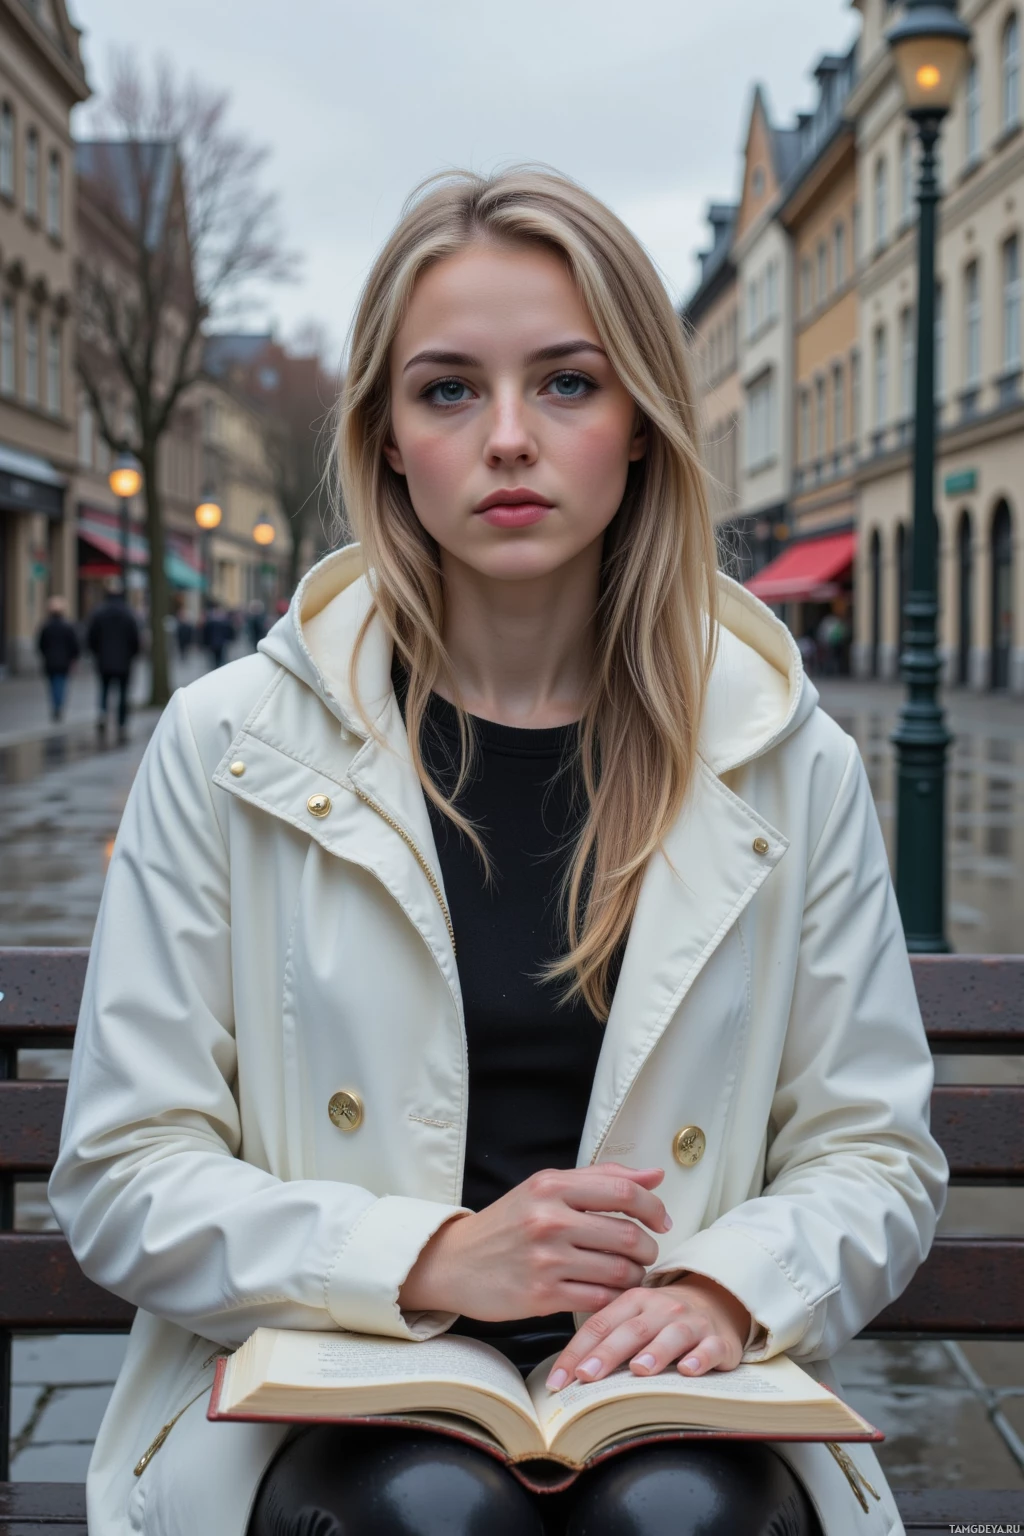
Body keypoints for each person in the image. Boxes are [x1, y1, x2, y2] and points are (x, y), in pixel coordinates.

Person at [49, 170, 945, 1536]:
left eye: (569, 384)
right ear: (387, 436)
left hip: (674, 1389)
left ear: (641, 421)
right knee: (424, 1509)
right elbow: (126, 1166)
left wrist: (724, 1288)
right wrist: (433, 1260)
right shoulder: (229, 743)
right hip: (330, 1378)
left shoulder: (781, 753)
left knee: (684, 1516)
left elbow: (872, 1149)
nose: (510, 437)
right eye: (450, 390)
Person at [85, 577, 140, 745]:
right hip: (124, 661)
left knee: (104, 690)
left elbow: (91, 637)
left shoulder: (99, 613)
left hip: (104, 660)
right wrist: (132, 654)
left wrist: (96, 653)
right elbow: (135, 639)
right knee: (123, 693)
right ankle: (121, 722)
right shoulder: (128, 613)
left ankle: (103, 714)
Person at [36, 596, 80, 721]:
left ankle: (55, 706)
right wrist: (73, 658)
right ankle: (58, 706)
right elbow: (74, 645)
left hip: (50, 660)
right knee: (61, 684)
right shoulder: (67, 626)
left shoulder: (46, 626)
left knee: (52, 685)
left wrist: (45, 655)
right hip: (63, 661)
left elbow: (41, 644)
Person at [201, 602, 235, 669]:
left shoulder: (222, 621)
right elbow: (206, 633)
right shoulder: (212, 622)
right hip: (215, 642)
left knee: (219, 657)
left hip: (219, 642)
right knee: (216, 658)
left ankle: (218, 666)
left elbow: (229, 631)